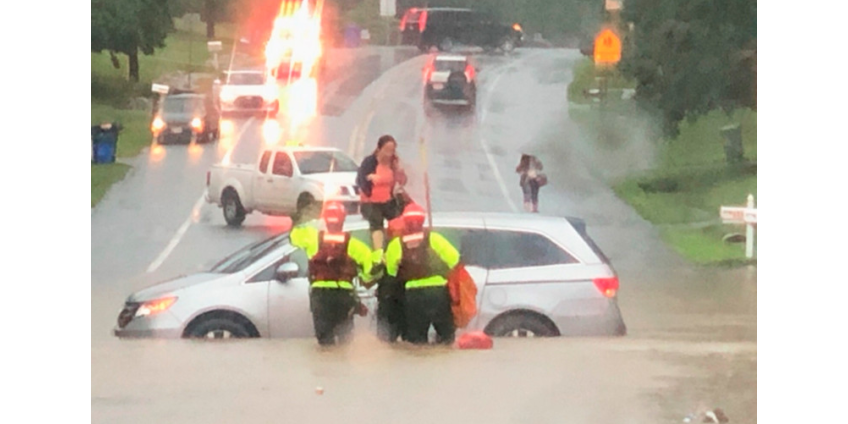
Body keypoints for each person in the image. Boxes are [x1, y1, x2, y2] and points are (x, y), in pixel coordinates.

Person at [290, 201, 375, 346]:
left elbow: (293, 237)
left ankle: (327, 365)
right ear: (343, 219)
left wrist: (304, 216)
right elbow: (370, 268)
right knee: (346, 341)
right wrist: (363, 279)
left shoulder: (312, 239)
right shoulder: (354, 245)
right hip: (344, 296)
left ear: (325, 219)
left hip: (321, 296)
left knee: (324, 343)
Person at [385, 203, 460, 345]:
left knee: (416, 341)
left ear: (405, 221)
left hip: (413, 295)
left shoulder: (397, 244)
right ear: (422, 220)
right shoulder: (434, 238)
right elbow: (454, 258)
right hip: (438, 293)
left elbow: (391, 271)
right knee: (446, 337)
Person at [356, 135, 408, 264]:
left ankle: (397, 251)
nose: (389, 153)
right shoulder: (370, 162)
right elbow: (360, 180)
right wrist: (370, 178)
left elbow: (402, 181)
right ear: (379, 149)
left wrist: (401, 175)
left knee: (397, 222)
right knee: (376, 222)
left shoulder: (394, 163)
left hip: (387, 201)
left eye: (392, 150)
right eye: (387, 149)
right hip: (370, 201)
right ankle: (379, 255)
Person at [373, 198, 417, 343]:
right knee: (411, 342)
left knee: (385, 342)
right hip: (409, 301)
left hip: (390, 299)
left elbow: (381, 273)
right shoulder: (423, 242)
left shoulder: (390, 249)